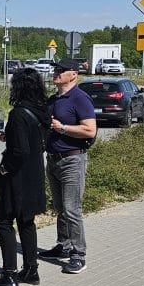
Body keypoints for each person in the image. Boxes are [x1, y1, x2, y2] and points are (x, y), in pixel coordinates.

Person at [0, 68, 51, 286]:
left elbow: (19, 151)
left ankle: (9, 275)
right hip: (35, 173)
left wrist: (4, 169)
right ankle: (31, 270)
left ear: (19, 87)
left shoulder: (19, 113)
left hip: (17, 177)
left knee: (2, 220)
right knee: (26, 220)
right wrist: (8, 136)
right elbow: (34, 143)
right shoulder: (42, 110)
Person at [38, 58, 97, 275]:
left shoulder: (80, 99)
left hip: (72, 159)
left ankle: (79, 255)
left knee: (72, 209)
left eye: (61, 70)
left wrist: (62, 128)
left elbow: (90, 130)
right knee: (60, 208)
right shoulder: (53, 99)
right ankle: (63, 245)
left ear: (73, 74)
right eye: (55, 69)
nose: (56, 73)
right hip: (53, 159)